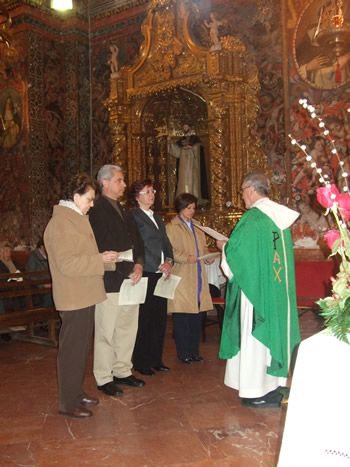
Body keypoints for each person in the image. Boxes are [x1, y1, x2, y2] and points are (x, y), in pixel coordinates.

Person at [218, 171, 301, 408]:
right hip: (276, 292)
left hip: (255, 293)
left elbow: (236, 256)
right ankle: (273, 386)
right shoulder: (279, 217)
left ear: (252, 190)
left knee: (255, 339)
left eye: (243, 191)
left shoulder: (253, 218)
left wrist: (224, 246)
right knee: (274, 335)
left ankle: (254, 391)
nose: (242, 197)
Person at [44, 173, 118, 419]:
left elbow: (83, 256)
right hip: (73, 296)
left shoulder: (76, 218)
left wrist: (104, 260)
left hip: (84, 294)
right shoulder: (61, 224)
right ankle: (68, 402)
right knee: (71, 351)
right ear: (75, 197)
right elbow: (67, 264)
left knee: (80, 349)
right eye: (89, 199)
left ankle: (76, 393)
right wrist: (100, 260)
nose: (92, 204)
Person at [89, 164, 145, 397]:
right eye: (120, 180)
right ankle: (104, 377)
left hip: (131, 276)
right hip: (111, 277)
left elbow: (137, 239)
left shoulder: (123, 209)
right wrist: (122, 265)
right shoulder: (96, 209)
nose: (124, 184)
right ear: (105, 182)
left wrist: (139, 263)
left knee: (127, 327)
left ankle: (122, 370)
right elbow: (97, 245)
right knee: (106, 330)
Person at [128, 179, 174, 376]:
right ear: (137, 196)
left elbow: (166, 243)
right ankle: (141, 361)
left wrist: (169, 261)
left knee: (159, 319)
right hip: (146, 271)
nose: (152, 194)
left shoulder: (157, 217)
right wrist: (150, 263)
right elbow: (137, 244)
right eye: (147, 191)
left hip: (160, 273)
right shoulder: (133, 216)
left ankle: (156, 359)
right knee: (144, 319)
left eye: (152, 190)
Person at [166, 192, 213, 363]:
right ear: (181, 208)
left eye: (194, 208)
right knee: (183, 317)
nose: (192, 211)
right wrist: (187, 258)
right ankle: (183, 352)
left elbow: (203, 247)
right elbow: (172, 251)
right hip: (183, 275)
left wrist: (207, 256)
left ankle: (194, 351)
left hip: (198, 275)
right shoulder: (172, 227)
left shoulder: (198, 226)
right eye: (189, 208)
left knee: (196, 316)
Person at [168, 124, 209, 205]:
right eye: (184, 127)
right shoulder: (181, 140)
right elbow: (176, 152)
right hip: (183, 165)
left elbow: (199, 148)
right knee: (183, 181)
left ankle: (194, 198)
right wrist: (169, 142)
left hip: (193, 165)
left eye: (186, 127)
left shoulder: (195, 138)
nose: (185, 128)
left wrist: (191, 147)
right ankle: (182, 200)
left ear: (190, 128)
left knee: (193, 182)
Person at [25, 238, 53, 308]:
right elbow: (30, 275)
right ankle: (45, 316)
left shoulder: (50, 256)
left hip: (50, 284)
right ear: (42, 246)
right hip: (37, 287)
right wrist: (43, 285)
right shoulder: (33, 256)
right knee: (49, 296)